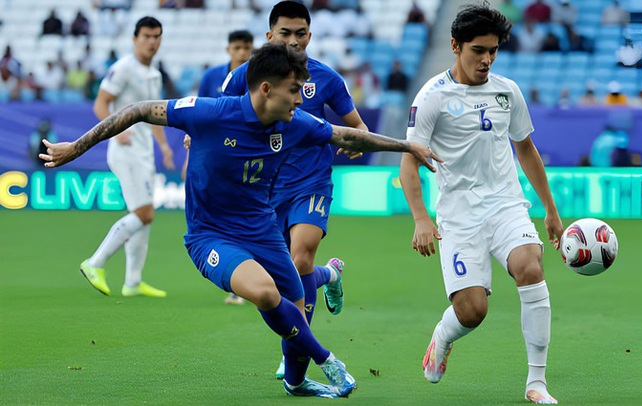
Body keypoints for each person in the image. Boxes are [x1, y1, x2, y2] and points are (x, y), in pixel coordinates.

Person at [39, 42, 439, 398]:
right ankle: (329, 361)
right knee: (267, 294)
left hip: (261, 230)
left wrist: (406, 145)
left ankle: (297, 380)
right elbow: (138, 110)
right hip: (210, 236)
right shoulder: (210, 113)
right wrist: (76, 146)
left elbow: (348, 136)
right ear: (266, 89)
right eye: (294, 90)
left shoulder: (296, 123)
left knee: (295, 310)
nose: (301, 100)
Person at [399, 3, 563, 404]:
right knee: (472, 311)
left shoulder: (508, 92)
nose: (487, 59)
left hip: (506, 205)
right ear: (455, 46)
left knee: (529, 266)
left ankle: (536, 383)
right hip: (458, 215)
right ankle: (442, 336)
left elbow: (526, 149)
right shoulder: (432, 97)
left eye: (493, 50)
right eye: (478, 50)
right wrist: (421, 218)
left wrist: (550, 209)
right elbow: (408, 163)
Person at [222, 1, 369, 379]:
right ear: (269, 36)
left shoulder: (327, 79)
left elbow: (358, 127)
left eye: (300, 33)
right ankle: (331, 275)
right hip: (263, 191)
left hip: (311, 183)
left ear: (310, 35)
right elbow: (217, 115)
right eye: (285, 33)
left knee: (299, 261)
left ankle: (297, 353)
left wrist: (359, 140)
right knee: (278, 279)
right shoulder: (244, 77)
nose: (293, 40)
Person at [79, 16, 175, 298]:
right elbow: (101, 102)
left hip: (143, 151)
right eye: (147, 36)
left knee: (145, 215)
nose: (152, 41)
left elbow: (154, 114)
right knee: (144, 213)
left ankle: (132, 282)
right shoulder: (122, 69)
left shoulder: (153, 73)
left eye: (157, 36)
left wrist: (164, 146)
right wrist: (114, 131)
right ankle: (94, 263)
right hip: (125, 150)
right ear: (135, 39)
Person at [188, 29, 254, 305]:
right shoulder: (212, 77)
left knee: (246, 213)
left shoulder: (257, 78)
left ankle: (244, 279)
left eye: (246, 48)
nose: (242, 53)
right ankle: (239, 276)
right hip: (216, 157)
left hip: (246, 157)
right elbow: (198, 114)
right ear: (228, 49)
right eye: (237, 48)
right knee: (224, 214)